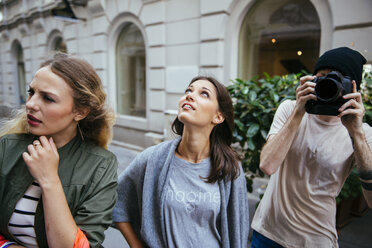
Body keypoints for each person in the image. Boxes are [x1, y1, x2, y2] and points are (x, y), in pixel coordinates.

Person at [251, 47, 372, 248]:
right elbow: (267, 165)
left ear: (352, 88)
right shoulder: (290, 109)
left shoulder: (363, 132)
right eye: (322, 77)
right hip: (268, 232)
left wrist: (356, 133)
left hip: (315, 240)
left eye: (337, 79)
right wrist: (300, 110)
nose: (329, 84)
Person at [112, 76, 249, 247]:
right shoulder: (153, 159)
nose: (190, 96)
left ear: (218, 117)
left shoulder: (230, 169)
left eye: (204, 94)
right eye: (188, 91)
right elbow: (115, 201)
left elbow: (238, 231)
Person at [0, 54, 118, 248]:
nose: (30, 104)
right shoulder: (6, 148)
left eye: (48, 98)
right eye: (32, 92)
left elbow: (80, 245)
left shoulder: (101, 165)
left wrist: (49, 180)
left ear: (80, 112)